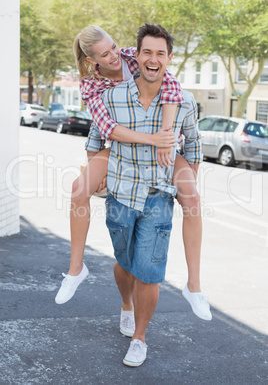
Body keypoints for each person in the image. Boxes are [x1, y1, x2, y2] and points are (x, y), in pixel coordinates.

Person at [55, 24, 211, 322]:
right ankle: (76, 269)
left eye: (114, 46)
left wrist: (167, 138)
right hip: (120, 147)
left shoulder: (133, 56)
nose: (114, 55)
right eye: (105, 54)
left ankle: (194, 287)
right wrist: (94, 168)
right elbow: (104, 131)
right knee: (78, 189)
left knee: (192, 197)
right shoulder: (93, 87)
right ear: (92, 61)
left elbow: (172, 84)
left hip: (160, 151)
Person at [88, 23, 207, 366]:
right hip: (121, 195)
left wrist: (187, 185)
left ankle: (140, 337)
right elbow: (95, 140)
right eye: (147, 52)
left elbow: (194, 146)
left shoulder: (182, 101)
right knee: (125, 264)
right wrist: (95, 175)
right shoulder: (111, 97)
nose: (153, 59)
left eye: (160, 53)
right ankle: (126, 304)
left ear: (169, 59)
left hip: (159, 197)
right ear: (135, 55)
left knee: (149, 272)